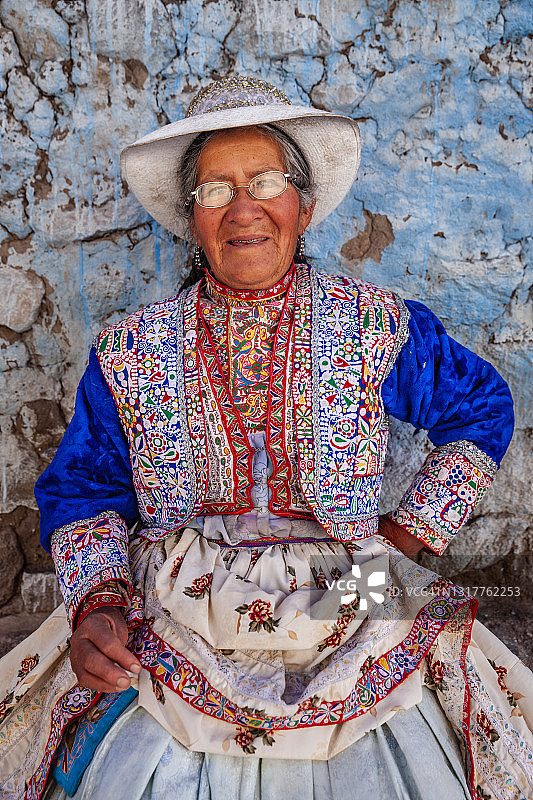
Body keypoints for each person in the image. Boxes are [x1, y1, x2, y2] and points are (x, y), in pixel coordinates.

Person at [0, 76, 532, 800]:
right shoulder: (131, 348)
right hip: (177, 592)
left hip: (353, 584)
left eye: (266, 181)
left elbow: (480, 408)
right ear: (191, 218)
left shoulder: (373, 324)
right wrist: (97, 605)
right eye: (214, 190)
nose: (242, 207)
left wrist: (409, 537)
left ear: (303, 208)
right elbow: (86, 488)